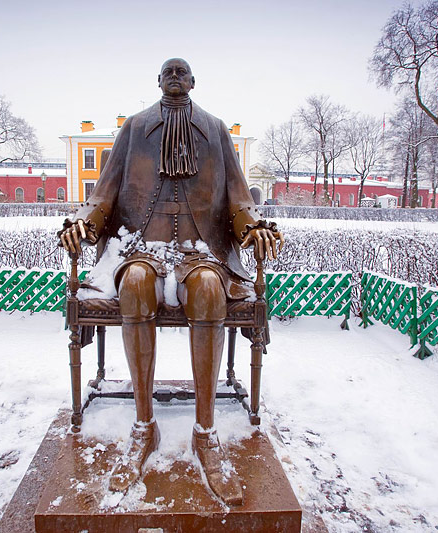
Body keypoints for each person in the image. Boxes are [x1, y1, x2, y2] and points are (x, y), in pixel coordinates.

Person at [59, 58, 283, 506]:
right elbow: (103, 192)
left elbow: (240, 196)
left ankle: (206, 432)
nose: (175, 76)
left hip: (201, 249)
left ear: (194, 81)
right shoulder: (135, 128)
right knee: (135, 283)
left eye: (183, 71)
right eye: (168, 71)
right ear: (157, 81)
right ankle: (144, 427)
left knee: (207, 290)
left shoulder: (216, 130)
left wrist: (254, 226)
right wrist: (82, 221)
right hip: (140, 244)